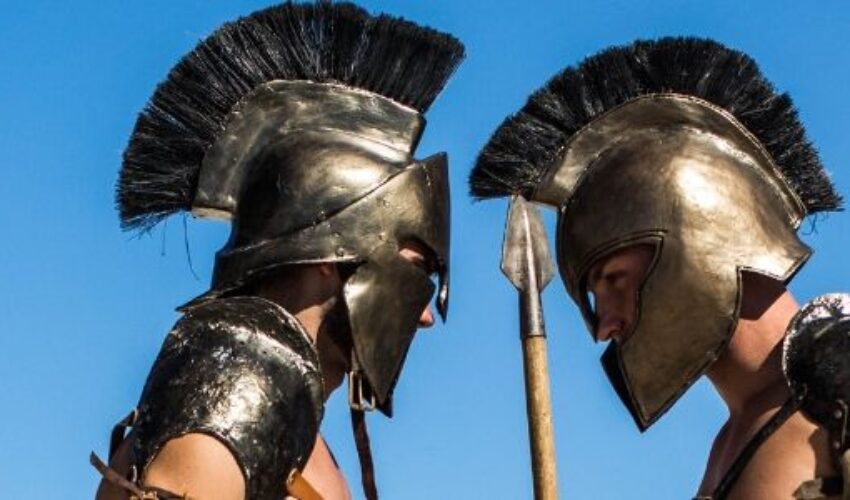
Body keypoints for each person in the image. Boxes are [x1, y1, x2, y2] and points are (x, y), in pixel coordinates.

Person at [92, 3, 464, 499]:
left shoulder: (293, 421)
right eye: (415, 269)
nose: (424, 317)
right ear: (333, 258)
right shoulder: (234, 387)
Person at [470, 37, 849, 499]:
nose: (603, 326)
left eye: (615, 280)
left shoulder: (839, 389)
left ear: (699, 237)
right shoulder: (728, 441)